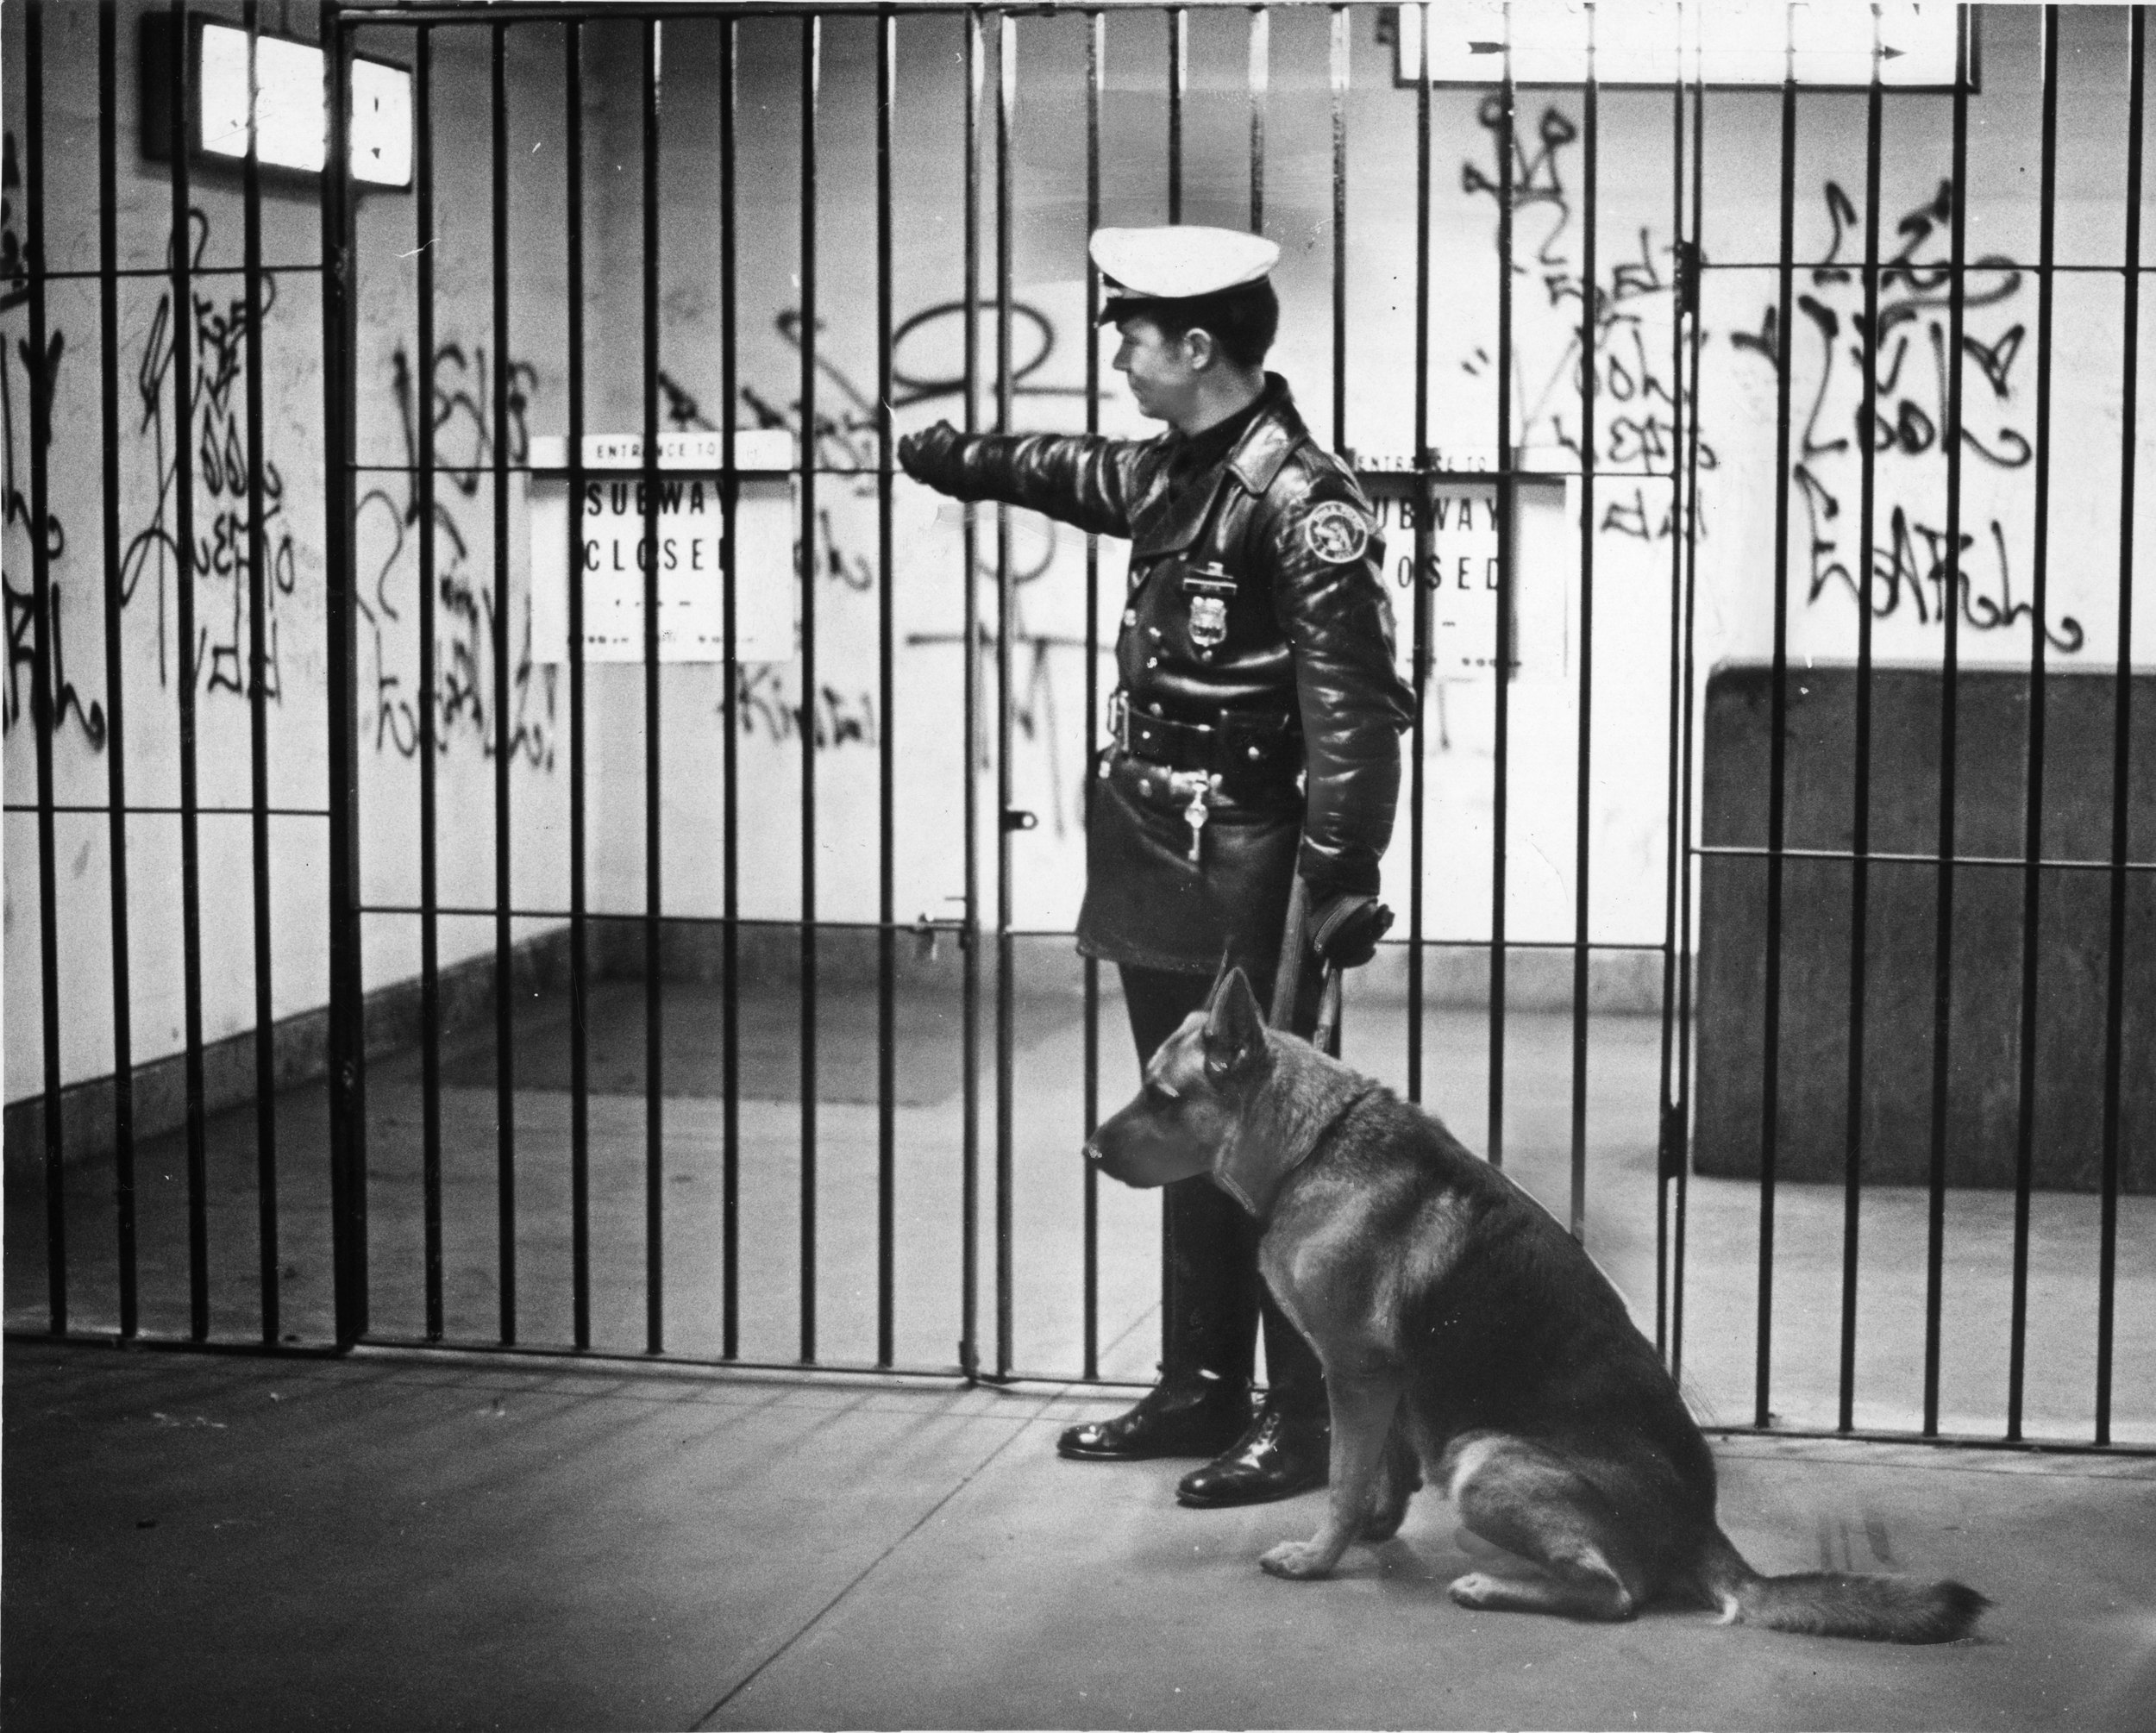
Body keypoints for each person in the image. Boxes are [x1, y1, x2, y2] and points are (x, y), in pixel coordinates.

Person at [899, 224, 1412, 1507]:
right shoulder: (1180, 472)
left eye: (1132, 332)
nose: (1116, 350)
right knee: (1187, 1123)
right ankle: (1199, 1387)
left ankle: (1298, 1420)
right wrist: (958, 457)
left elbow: (1352, 705)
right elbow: (1062, 465)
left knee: (1280, 1148)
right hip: (1156, 838)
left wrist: (1339, 875)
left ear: (1199, 346)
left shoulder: (1306, 501)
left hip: (1251, 855)